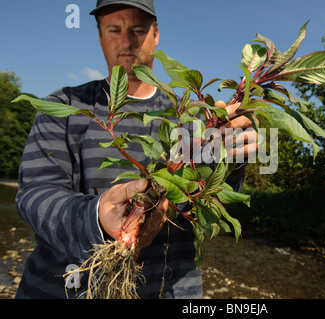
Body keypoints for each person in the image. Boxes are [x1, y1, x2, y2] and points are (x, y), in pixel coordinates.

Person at [15, 0, 255, 299]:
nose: (126, 41)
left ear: (156, 35)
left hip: (168, 288)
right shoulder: (64, 105)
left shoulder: (192, 116)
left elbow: (215, 203)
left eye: (138, 30)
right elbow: (35, 194)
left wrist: (233, 157)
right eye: (114, 29)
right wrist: (96, 216)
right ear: (100, 36)